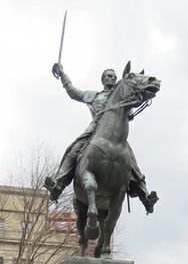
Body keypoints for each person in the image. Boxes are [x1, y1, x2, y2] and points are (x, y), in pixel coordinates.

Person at [45, 64, 159, 213]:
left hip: (116, 135)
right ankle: (58, 184)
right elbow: (73, 92)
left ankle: (145, 195)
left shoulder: (123, 97)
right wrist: (62, 75)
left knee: (131, 160)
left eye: (114, 76)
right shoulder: (94, 96)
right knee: (74, 149)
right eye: (108, 76)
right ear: (103, 79)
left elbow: (130, 115)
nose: (111, 78)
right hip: (94, 131)